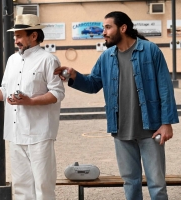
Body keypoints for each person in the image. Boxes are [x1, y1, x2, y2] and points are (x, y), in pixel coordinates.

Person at [55, 11, 179, 200]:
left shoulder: (150, 50)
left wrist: (167, 123)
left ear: (123, 28)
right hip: (121, 131)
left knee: (157, 184)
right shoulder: (106, 57)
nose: (103, 32)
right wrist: (74, 75)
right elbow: (93, 84)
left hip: (151, 129)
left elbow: (165, 87)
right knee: (130, 182)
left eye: (107, 27)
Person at [0, 14, 65, 200]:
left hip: (40, 134)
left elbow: (57, 94)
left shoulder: (48, 60)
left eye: (19, 36)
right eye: (15, 37)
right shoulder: (12, 60)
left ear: (34, 36)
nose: (16, 40)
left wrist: (30, 101)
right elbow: (5, 91)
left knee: (44, 186)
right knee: (21, 188)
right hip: (15, 133)